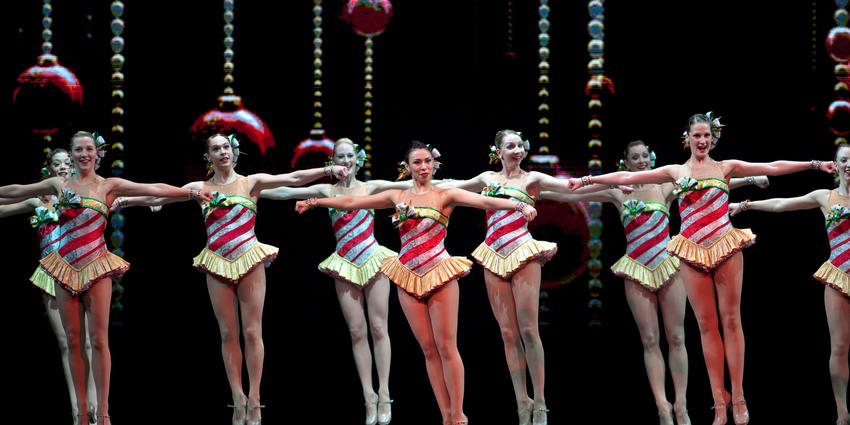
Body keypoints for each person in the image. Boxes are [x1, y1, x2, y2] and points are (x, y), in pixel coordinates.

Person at [567, 113, 835, 425]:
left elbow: (771, 166)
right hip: (691, 252)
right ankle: (718, 403)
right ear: (687, 138)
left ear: (713, 137)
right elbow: (626, 178)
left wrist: (815, 165)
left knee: (731, 321)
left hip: (725, 245)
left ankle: (738, 397)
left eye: (706, 135)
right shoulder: (674, 172)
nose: (702, 141)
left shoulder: (725, 167)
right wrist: (587, 180)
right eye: (696, 136)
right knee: (706, 327)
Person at [295, 140, 538, 425]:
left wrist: (519, 204)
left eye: (427, 161)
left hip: (440, 273)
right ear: (407, 167)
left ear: (434, 164)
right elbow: (350, 201)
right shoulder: (395, 195)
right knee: (428, 350)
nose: (424, 167)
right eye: (417, 162)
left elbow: (484, 201)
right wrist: (315, 202)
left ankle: (458, 415)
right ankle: (445, 415)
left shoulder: (445, 194)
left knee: (447, 347)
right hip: (407, 278)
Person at [117, 133, 348, 425]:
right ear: (208, 156)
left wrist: (327, 170)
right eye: (216, 148)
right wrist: (126, 200)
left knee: (252, 332)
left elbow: (293, 178)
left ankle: (254, 398)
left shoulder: (250, 182)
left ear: (233, 152)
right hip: (217, 263)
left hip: (250, 259)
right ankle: (237, 397)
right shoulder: (199, 187)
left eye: (226, 147)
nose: (223, 152)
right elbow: (160, 193)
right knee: (228, 333)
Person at [544, 140, 767, 425]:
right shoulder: (618, 191)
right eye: (634, 157)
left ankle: (682, 405)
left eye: (644, 156)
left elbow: (711, 182)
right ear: (625, 163)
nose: (641, 160)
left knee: (676, 337)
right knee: (650, 340)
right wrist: (537, 190)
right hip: (636, 269)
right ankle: (663, 406)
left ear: (652, 158)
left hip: (669, 266)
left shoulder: (664, 186)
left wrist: (750, 178)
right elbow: (571, 196)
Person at [0, 131, 214, 425]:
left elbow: (151, 187)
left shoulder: (109, 185)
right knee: (73, 341)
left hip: (98, 265)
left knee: (99, 340)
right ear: (73, 154)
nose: (84, 154)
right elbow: (16, 190)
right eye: (79, 150)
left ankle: (102, 412)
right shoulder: (58, 184)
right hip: (63, 267)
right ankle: (81, 413)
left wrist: (189, 193)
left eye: (89, 149)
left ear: (97, 153)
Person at [260, 137, 415, 425]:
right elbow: (284, 191)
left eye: (349, 156)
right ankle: (368, 397)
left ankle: (384, 393)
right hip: (344, 264)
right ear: (333, 162)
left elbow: (412, 185)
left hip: (373, 259)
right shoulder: (325, 189)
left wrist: (448, 180)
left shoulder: (370, 187)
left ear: (358, 159)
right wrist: (251, 189)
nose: (345, 161)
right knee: (357, 331)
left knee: (379, 326)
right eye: (339, 157)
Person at [727, 143, 850, 425]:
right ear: (836, 164)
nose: (849, 165)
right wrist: (746, 205)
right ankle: (842, 412)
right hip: (839, 277)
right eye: (844, 160)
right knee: (840, 347)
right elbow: (783, 204)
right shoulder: (825, 196)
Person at [0, 148, 97, 425]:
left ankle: (94, 406)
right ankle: (77, 409)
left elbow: (119, 198)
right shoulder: (39, 202)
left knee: (89, 342)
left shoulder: (85, 195)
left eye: (68, 162)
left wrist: (153, 201)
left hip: (81, 271)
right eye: (58, 164)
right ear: (50, 170)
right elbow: (5, 205)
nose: (64, 167)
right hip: (51, 275)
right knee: (68, 343)